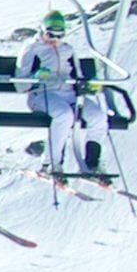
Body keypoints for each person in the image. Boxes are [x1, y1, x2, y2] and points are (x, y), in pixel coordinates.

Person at [18, 10, 110, 178]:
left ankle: (92, 163)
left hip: (69, 94)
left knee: (98, 117)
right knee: (64, 115)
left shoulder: (68, 49)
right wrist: (36, 77)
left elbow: (78, 76)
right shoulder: (31, 49)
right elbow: (20, 85)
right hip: (42, 95)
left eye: (60, 35)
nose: (55, 39)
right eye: (50, 34)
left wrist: (88, 85)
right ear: (42, 30)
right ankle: (51, 163)